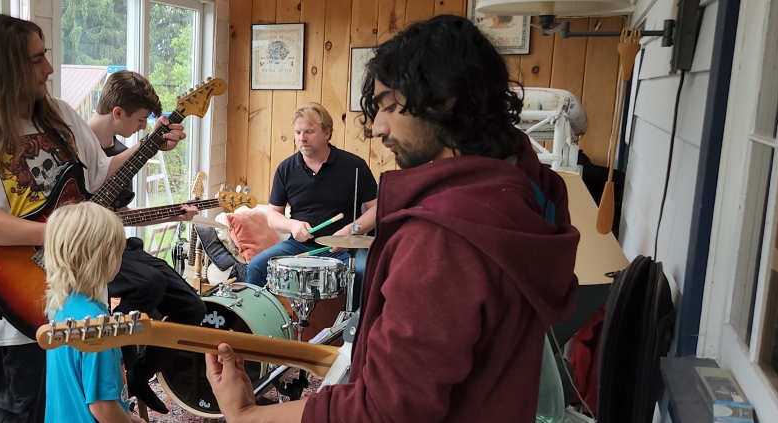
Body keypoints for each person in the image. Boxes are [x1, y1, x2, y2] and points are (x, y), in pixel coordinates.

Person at [206, 15, 581, 423]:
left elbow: (382, 410)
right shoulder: (529, 187)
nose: (378, 127)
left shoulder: (442, 240)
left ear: (443, 98)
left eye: (389, 105)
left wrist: (246, 414)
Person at [0, 15, 189, 422]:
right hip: (25, 304)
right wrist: (59, 231)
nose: (49, 68)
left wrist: (150, 145)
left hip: (83, 301)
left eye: (46, 55)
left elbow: (101, 176)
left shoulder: (62, 117)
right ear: (5, 66)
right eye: (36, 59)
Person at [87, 70, 207, 414]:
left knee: (193, 307)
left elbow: (121, 214)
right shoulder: (77, 149)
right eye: (141, 120)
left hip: (118, 248)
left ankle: (140, 374)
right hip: (88, 254)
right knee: (150, 282)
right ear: (118, 113)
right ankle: (113, 364)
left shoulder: (120, 151)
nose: (143, 127)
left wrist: (172, 214)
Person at [246, 102, 377, 292]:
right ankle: (267, 312)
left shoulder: (354, 166)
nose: (302, 138)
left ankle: (354, 314)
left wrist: (350, 231)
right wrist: (293, 225)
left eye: (309, 131)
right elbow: (273, 215)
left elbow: (377, 208)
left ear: (327, 133)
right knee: (257, 266)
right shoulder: (285, 168)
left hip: (344, 249)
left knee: (363, 271)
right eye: (298, 132)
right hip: (298, 246)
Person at [42, 202, 147, 423]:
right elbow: (103, 406)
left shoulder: (61, 306)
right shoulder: (97, 325)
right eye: (120, 251)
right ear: (106, 256)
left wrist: (128, 416)